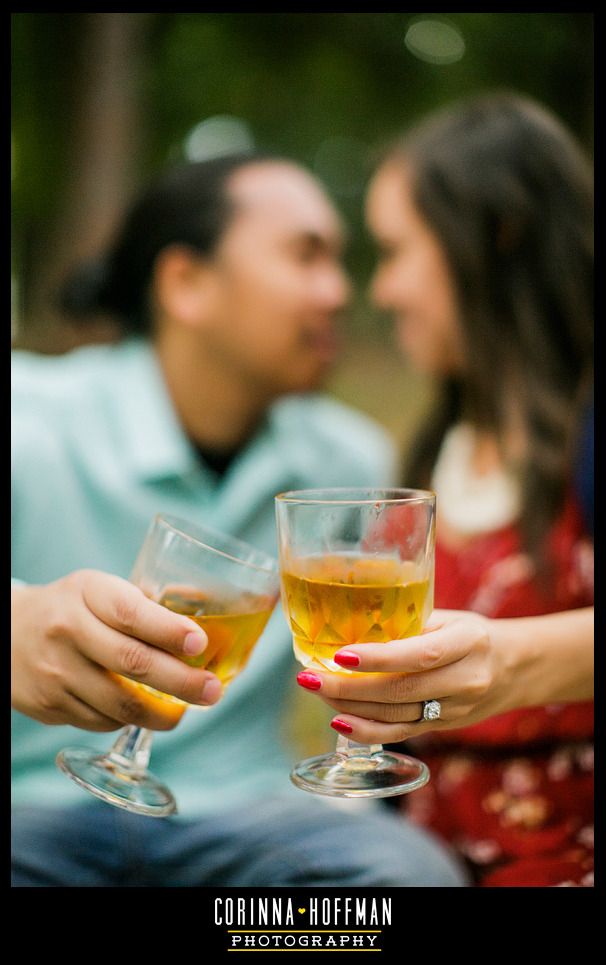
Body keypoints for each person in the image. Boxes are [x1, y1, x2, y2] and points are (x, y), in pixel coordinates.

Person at [11, 152, 468, 887]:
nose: (339, 292)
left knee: (404, 878)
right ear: (185, 283)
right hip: (33, 813)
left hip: (251, 821)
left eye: (341, 261)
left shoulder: (348, 458)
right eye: (306, 256)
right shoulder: (27, 413)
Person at [295, 92, 594, 887]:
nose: (380, 290)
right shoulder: (436, 454)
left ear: (498, 236)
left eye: (397, 251)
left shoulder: (585, 436)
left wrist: (519, 663)